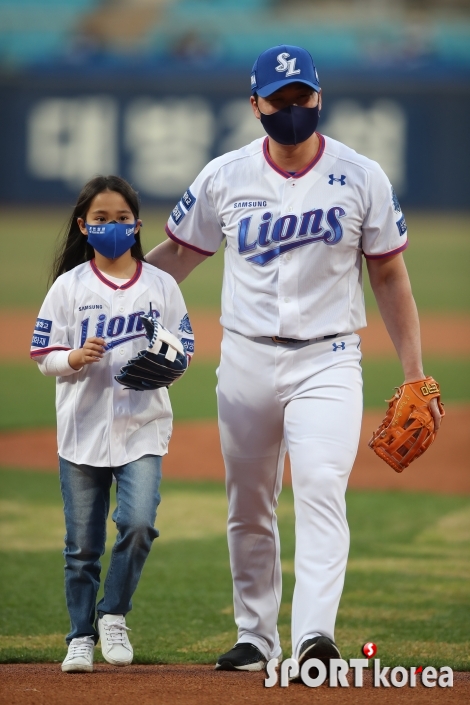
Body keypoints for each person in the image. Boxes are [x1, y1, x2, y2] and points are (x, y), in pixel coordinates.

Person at [146, 45, 442, 673]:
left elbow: (390, 278)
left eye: (300, 97)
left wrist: (415, 372)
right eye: (277, 99)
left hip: (329, 361)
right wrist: (107, 290)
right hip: (247, 359)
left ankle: (314, 635)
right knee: (248, 502)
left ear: (318, 98)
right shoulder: (224, 176)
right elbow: (177, 259)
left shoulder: (361, 176)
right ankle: (255, 636)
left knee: (319, 487)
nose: (290, 109)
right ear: (255, 104)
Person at [30, 175, 194, 673]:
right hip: (81, 431)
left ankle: (113, 616)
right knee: (82, 546)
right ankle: (79, 636)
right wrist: (74, 358)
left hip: (143, 426)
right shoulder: (69, 286)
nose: (112, 227)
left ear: (138, 225)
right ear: (83, 226)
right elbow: (43, 353)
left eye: (121, 219)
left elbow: (183, 348)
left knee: (139, 523)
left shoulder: (160, 285)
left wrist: (171, 363)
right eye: (100, 219)